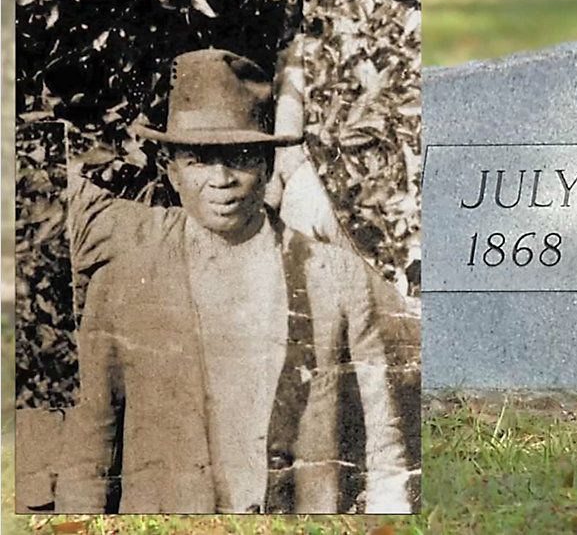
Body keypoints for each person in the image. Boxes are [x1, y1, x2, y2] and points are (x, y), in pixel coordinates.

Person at [56, 48, 420, 514]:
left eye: (240, 158)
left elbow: (388, 455)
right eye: (199, 161)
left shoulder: (335, 278)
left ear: (268, 166)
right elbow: (91, 444)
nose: (221, 179)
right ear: (171, 169)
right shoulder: (126, 280)